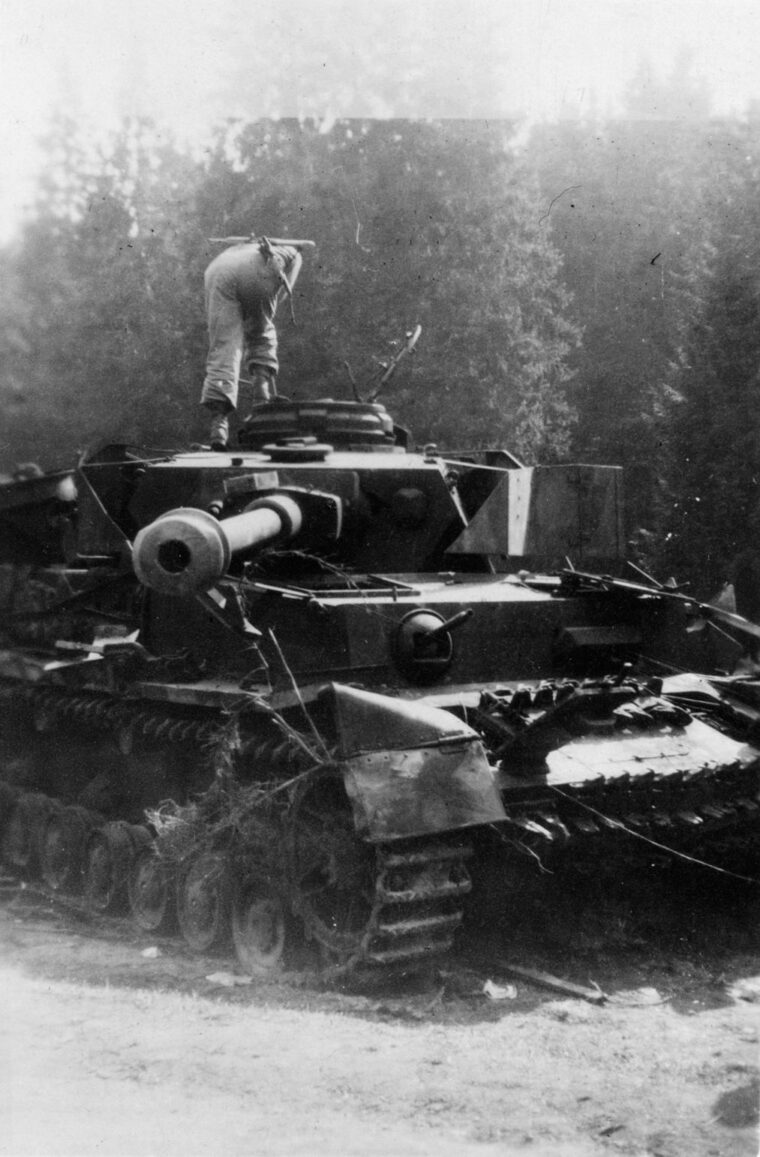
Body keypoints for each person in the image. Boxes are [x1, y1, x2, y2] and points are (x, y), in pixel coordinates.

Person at [201, 236, 307, 449]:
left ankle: (218, 428)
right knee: (262, 334)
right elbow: (283, 293)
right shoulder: (295, 254)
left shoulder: (237, 248)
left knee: (224, 347)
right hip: (257, 271)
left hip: (217, 270)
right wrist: (258, 318)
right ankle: (262, 407)